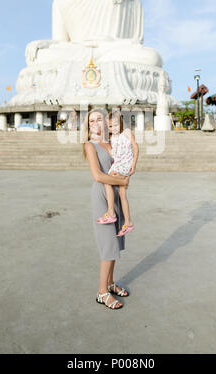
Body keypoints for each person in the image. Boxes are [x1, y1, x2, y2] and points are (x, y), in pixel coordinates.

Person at [82, 108, 130, 310]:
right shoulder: (89, 145)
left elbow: (125, 163)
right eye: (91, 120)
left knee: (116, 243)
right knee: (107, 245)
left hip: (117, 195)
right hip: (102, 197)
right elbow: (98, 176)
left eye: (99, 118)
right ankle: (102, 292)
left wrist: (125, 176)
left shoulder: (114, 143)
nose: (95, 122)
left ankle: (110, 283)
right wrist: (121, 180)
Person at [96, 110, 139, 237]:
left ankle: (111, 213)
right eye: (110, 126)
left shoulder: (126, 132)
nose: (113, 128)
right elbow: (115, 153)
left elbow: (135, 147)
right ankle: (129, 222)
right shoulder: (112, 138)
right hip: (117, 164)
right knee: (122, 194)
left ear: (120, 123)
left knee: (106, 180)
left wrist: (134, 164)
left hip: (125, 165)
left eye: (115, 125)